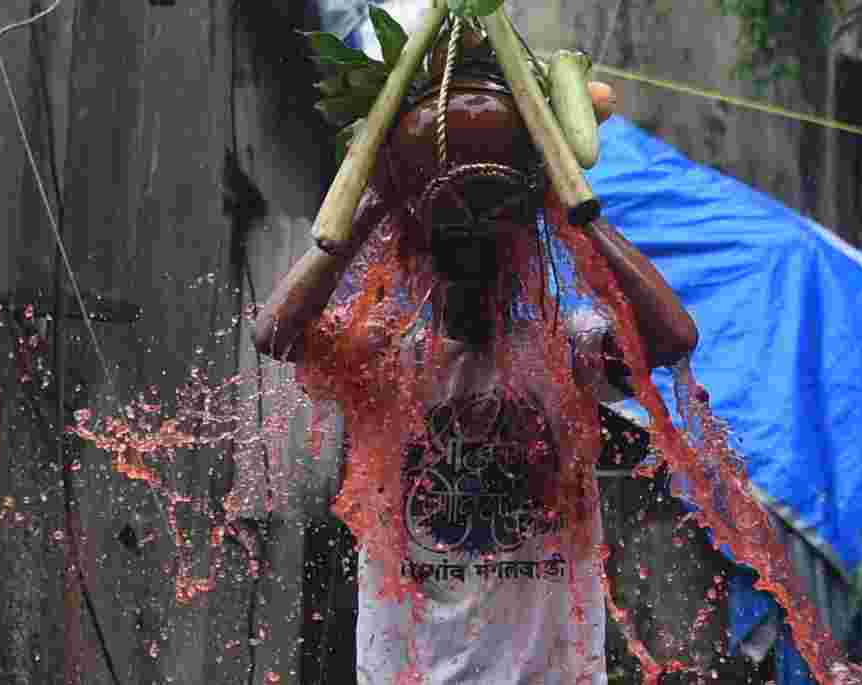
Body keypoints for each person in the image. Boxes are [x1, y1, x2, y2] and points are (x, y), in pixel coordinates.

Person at [254, 79, 698, 684]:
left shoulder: (567, 353)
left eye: (490, 244)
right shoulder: (384, 360)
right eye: (451, 243)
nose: (472, 262)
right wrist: (372, 203)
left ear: (521, 254)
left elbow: (673, 338)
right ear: (414, 253)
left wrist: (574, 212)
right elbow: (275, 334)